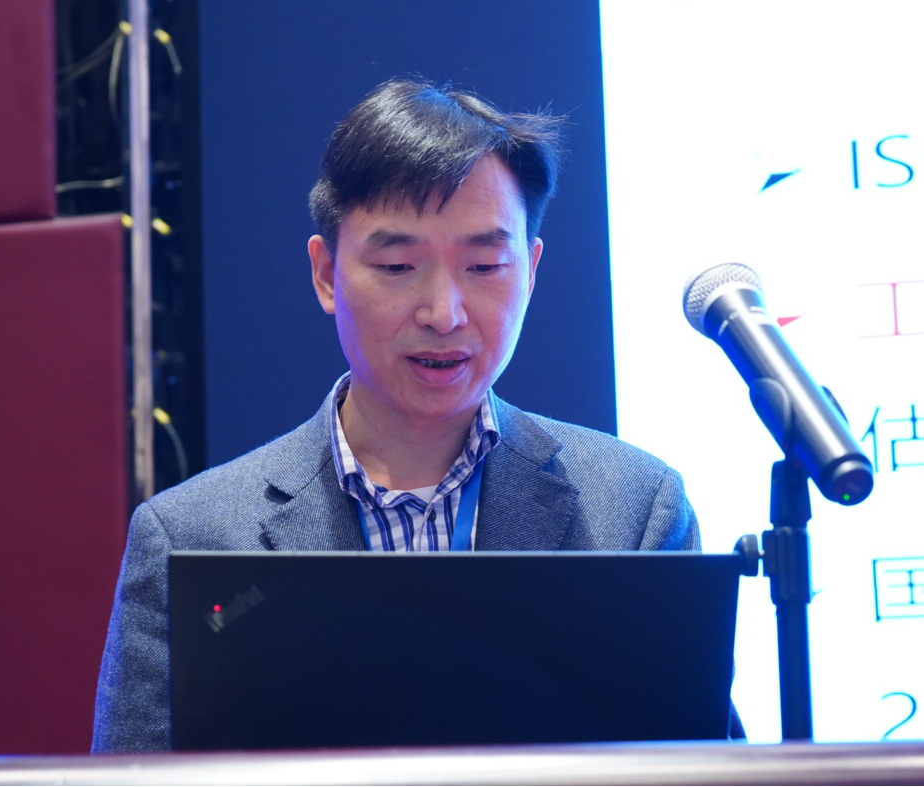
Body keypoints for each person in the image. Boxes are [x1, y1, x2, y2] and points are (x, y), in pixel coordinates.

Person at [91, 79, 702, 752]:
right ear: (326, 274)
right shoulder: (192, 537)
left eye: (484, 265)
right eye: (398, 265)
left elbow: (698, 769)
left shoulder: (634, 511)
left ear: (530, 271)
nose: (444, 313)